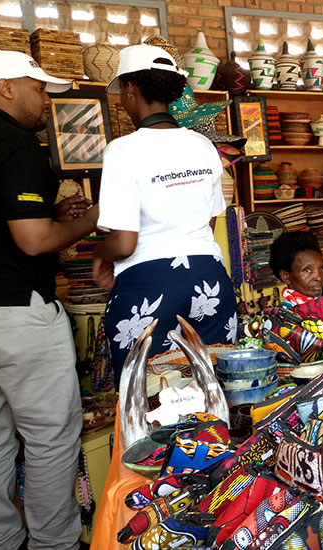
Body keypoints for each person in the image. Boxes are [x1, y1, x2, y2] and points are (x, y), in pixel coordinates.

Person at [0, 50, 99, 550]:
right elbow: (33, 241)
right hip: (19, 314)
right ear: (5, 87)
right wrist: (88, 220)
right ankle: (54, 543)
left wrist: (53, 210)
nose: (44, 102)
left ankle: (2, 540)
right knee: (50, 439)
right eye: (37, 89)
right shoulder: (16, 144)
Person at [92, 45, 236, 381]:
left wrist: (101, 254)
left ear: (131, 89)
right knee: (213, 387)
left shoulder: (123, 150)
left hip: (150, 283)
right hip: (209, 277)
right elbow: (210, 219)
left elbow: (124, 243)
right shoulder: (203, 146)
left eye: (122, 93)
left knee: (145, 397)